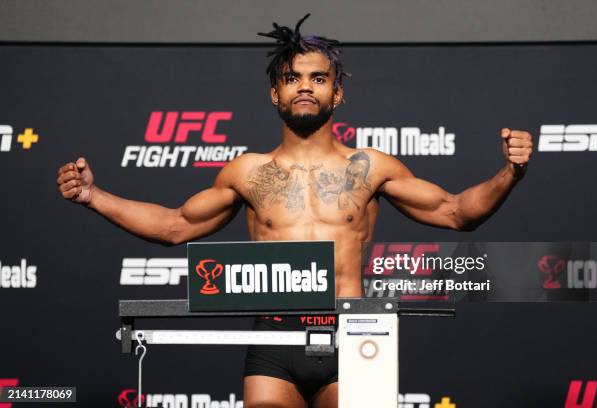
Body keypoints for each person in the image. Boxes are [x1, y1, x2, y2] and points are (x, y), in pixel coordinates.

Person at [56, 14, 532, 408]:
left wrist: (508, 173)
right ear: (275, 94)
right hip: (273, 338)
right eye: (292, 78)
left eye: (318, 78)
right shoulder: (247, 173)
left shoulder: (370, 168)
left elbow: (455, 212)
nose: (305, 87)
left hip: (355, 332)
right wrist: (92, 196)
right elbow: (175, 226)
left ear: (337, 94)